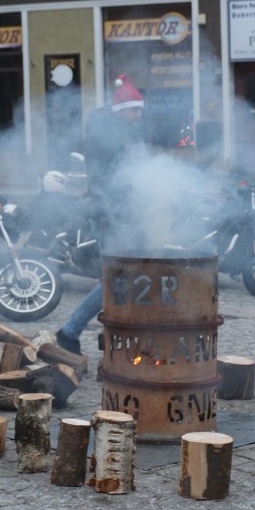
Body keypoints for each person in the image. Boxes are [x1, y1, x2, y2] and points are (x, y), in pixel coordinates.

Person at [56, 75, 146, 355]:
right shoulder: (108, 138)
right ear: (121, 111)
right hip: (109, 214)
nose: (139, 114)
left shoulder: (122, 133)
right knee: (117, 278)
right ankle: (70, 331)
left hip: (121, 213)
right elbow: (112, 181)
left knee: (127, 275)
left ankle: (123, 336)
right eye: (134, 109)